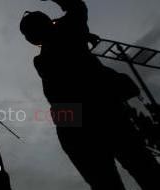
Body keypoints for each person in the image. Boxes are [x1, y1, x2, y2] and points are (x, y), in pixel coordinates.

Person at [20, 0, 160, 189]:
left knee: (111, 180)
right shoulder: (65, 37)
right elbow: (76, 7)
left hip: (75, 123)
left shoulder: (45, 58)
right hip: (100, 114)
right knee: (144, 169)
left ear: (31, 38)